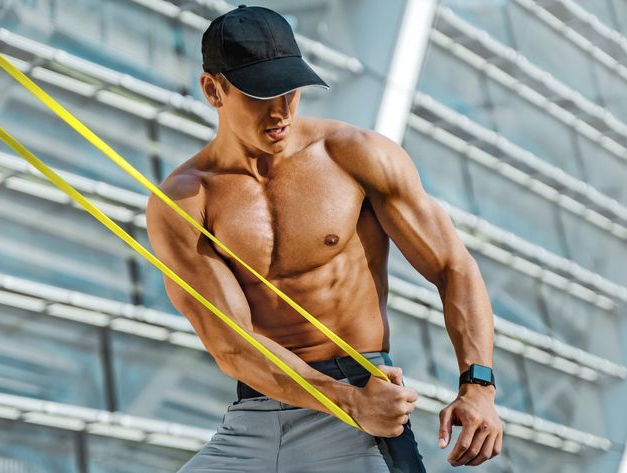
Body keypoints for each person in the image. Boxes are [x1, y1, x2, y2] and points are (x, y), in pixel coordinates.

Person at [146, 4, 503, 472]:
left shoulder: (354, 155)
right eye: (260, 94)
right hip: (257, 411)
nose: (280, 111)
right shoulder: (186, 199)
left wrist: (477, 386)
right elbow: (232, 342)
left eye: (290, 90)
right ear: (214, 90)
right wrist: (347, 402)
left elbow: (452, 266)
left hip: (358, 407)